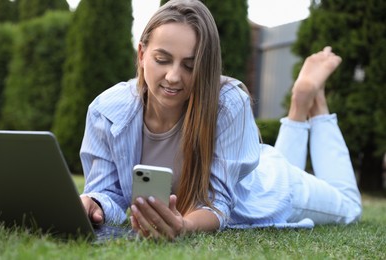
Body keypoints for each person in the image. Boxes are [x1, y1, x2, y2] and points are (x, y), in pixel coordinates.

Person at [80, 0, 362, 241]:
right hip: (249, 163)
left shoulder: (227, 102)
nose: (174, 76)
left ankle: (312, 102)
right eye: (162, 59)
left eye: (190, 66)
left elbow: (219, 203)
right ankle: (299, 110)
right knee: (282, 157)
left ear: (206, 67)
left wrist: (185, 225)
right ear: (142, 55)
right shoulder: (106, 110)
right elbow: (109, 192)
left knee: (350, 207)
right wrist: (93, 204)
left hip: (271, 187)